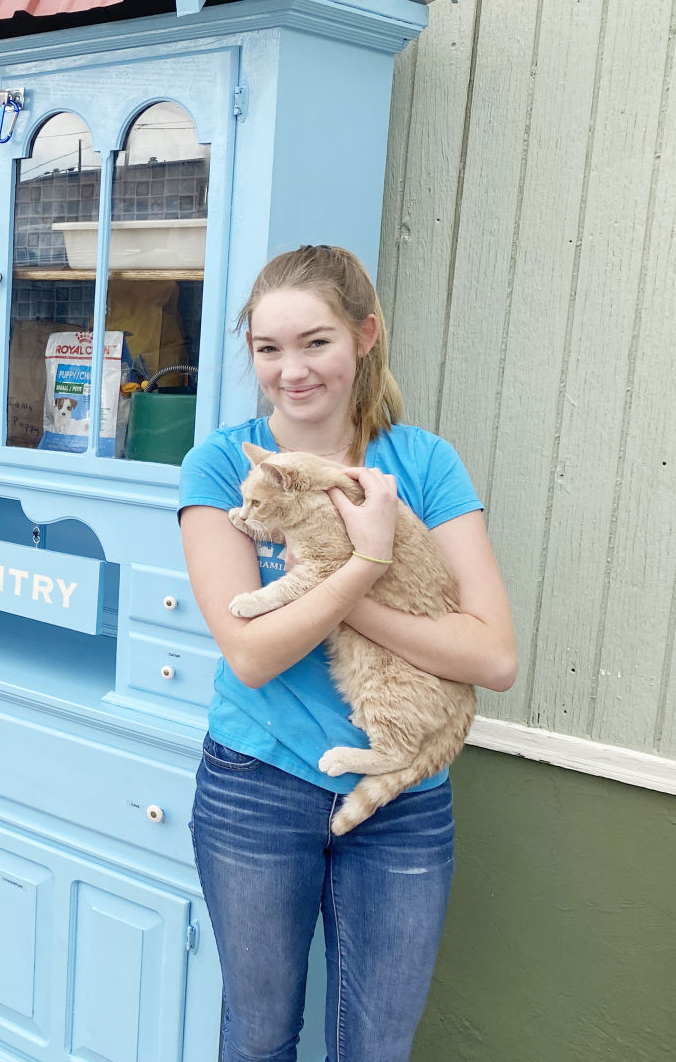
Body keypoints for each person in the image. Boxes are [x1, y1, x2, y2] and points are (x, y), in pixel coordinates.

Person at [177, 244, 517, 1062]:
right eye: (267, 349)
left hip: (402, 800)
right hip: (254, 784)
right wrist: (364, 563)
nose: (290, 371)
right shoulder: (226, 465)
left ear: (365, 337)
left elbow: (493, 656)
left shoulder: (422, 463)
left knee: (374, 1047)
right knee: (257, 1037)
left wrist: (343, 586)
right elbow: (251, 654)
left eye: (315, 342)